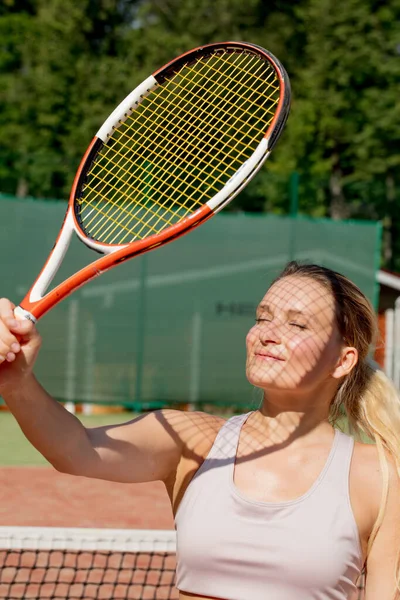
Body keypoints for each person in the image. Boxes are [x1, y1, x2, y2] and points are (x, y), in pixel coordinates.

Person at [0, 260, 399, 600]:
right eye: (262, 316)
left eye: (297, 324)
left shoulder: (379, 477)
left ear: (343, 360)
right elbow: (76, 448)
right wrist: (17, 382)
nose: (267, 332)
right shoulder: (193, 438)